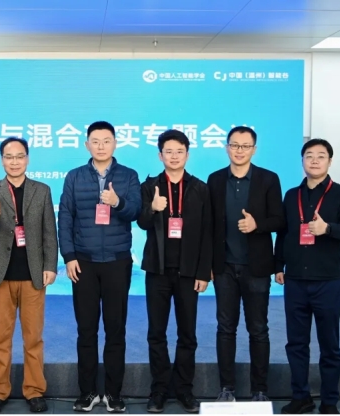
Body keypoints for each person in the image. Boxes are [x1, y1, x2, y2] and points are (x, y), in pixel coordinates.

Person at [58, 121, 141, 413]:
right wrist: (69, 256)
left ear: (115, 143)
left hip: (118, 261)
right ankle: (88, 392)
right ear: (87, 145)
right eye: (95, 141)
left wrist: (118, 202)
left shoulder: (129, 175)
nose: (101, 146)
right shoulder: (74, 176)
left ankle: (114, 393)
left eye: (107, 140)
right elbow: (65, 217)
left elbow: (136, 211)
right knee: (86, 330)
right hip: (84, 263)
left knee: (116, 329)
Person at [275, 139, 340, 415]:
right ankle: (301, 397)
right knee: (296, 344)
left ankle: (329, 401)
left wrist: (328, 229)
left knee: (329, 345)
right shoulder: (292, 196)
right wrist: (278, 266)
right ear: (302, 161)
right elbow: (284, 233)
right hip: (295, 281)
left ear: (329, 161)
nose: (314, 160)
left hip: (328, 280)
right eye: (309, 155)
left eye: (321, 156)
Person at [0, 137, 58, 414]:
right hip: (1, 275)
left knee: (33, 337)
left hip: (33, 275)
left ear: (27, 158)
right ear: (2, 160)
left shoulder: (42, 190)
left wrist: (51, 266)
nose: (14, 162)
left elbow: (49, 231)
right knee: (1, 337)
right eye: (9, 157)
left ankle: (34, 390)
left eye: (19, 156)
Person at [207, 126, 285, 402]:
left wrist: (257, 225)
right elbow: (209, 225)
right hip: (224, 267)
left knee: (258, 329)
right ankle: (226, 388)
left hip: (257, 268)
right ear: (226, 147)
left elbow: (280, 220)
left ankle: (259, 390)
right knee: (225, 329)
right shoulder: (215, 179)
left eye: (245, 146)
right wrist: (208, 265)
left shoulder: (268, 179)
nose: (239, 150)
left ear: (254, 149)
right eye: (234, 145)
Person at [137, 130, 211, 413]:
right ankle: (158, 390)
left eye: (179, 151)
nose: (174, 156)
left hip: (189, 272)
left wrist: (203, 272)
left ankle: (184, 390)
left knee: (187, 333)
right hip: (157, 270)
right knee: (156, 333)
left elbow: (208, 231)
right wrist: (153, 208)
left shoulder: (200, 188)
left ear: (187, 155)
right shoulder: (150, 186)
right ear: (160, 156)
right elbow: (142, 222)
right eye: (168, 151)